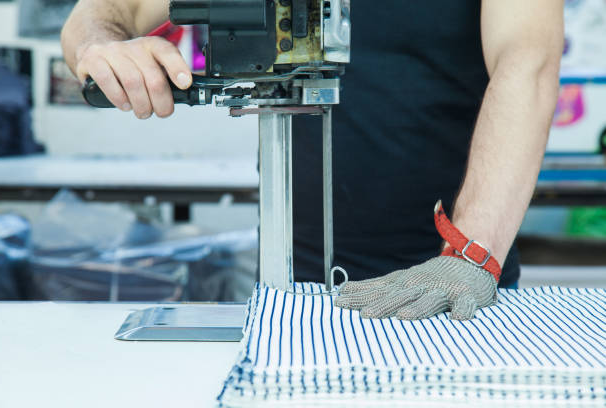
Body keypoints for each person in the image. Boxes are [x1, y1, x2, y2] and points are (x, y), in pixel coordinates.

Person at [61, 1, 564, 320]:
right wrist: (101, 45)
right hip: (293, 290)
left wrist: (469, 256)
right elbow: (105, 10)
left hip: (458, 287)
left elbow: (528, 61)